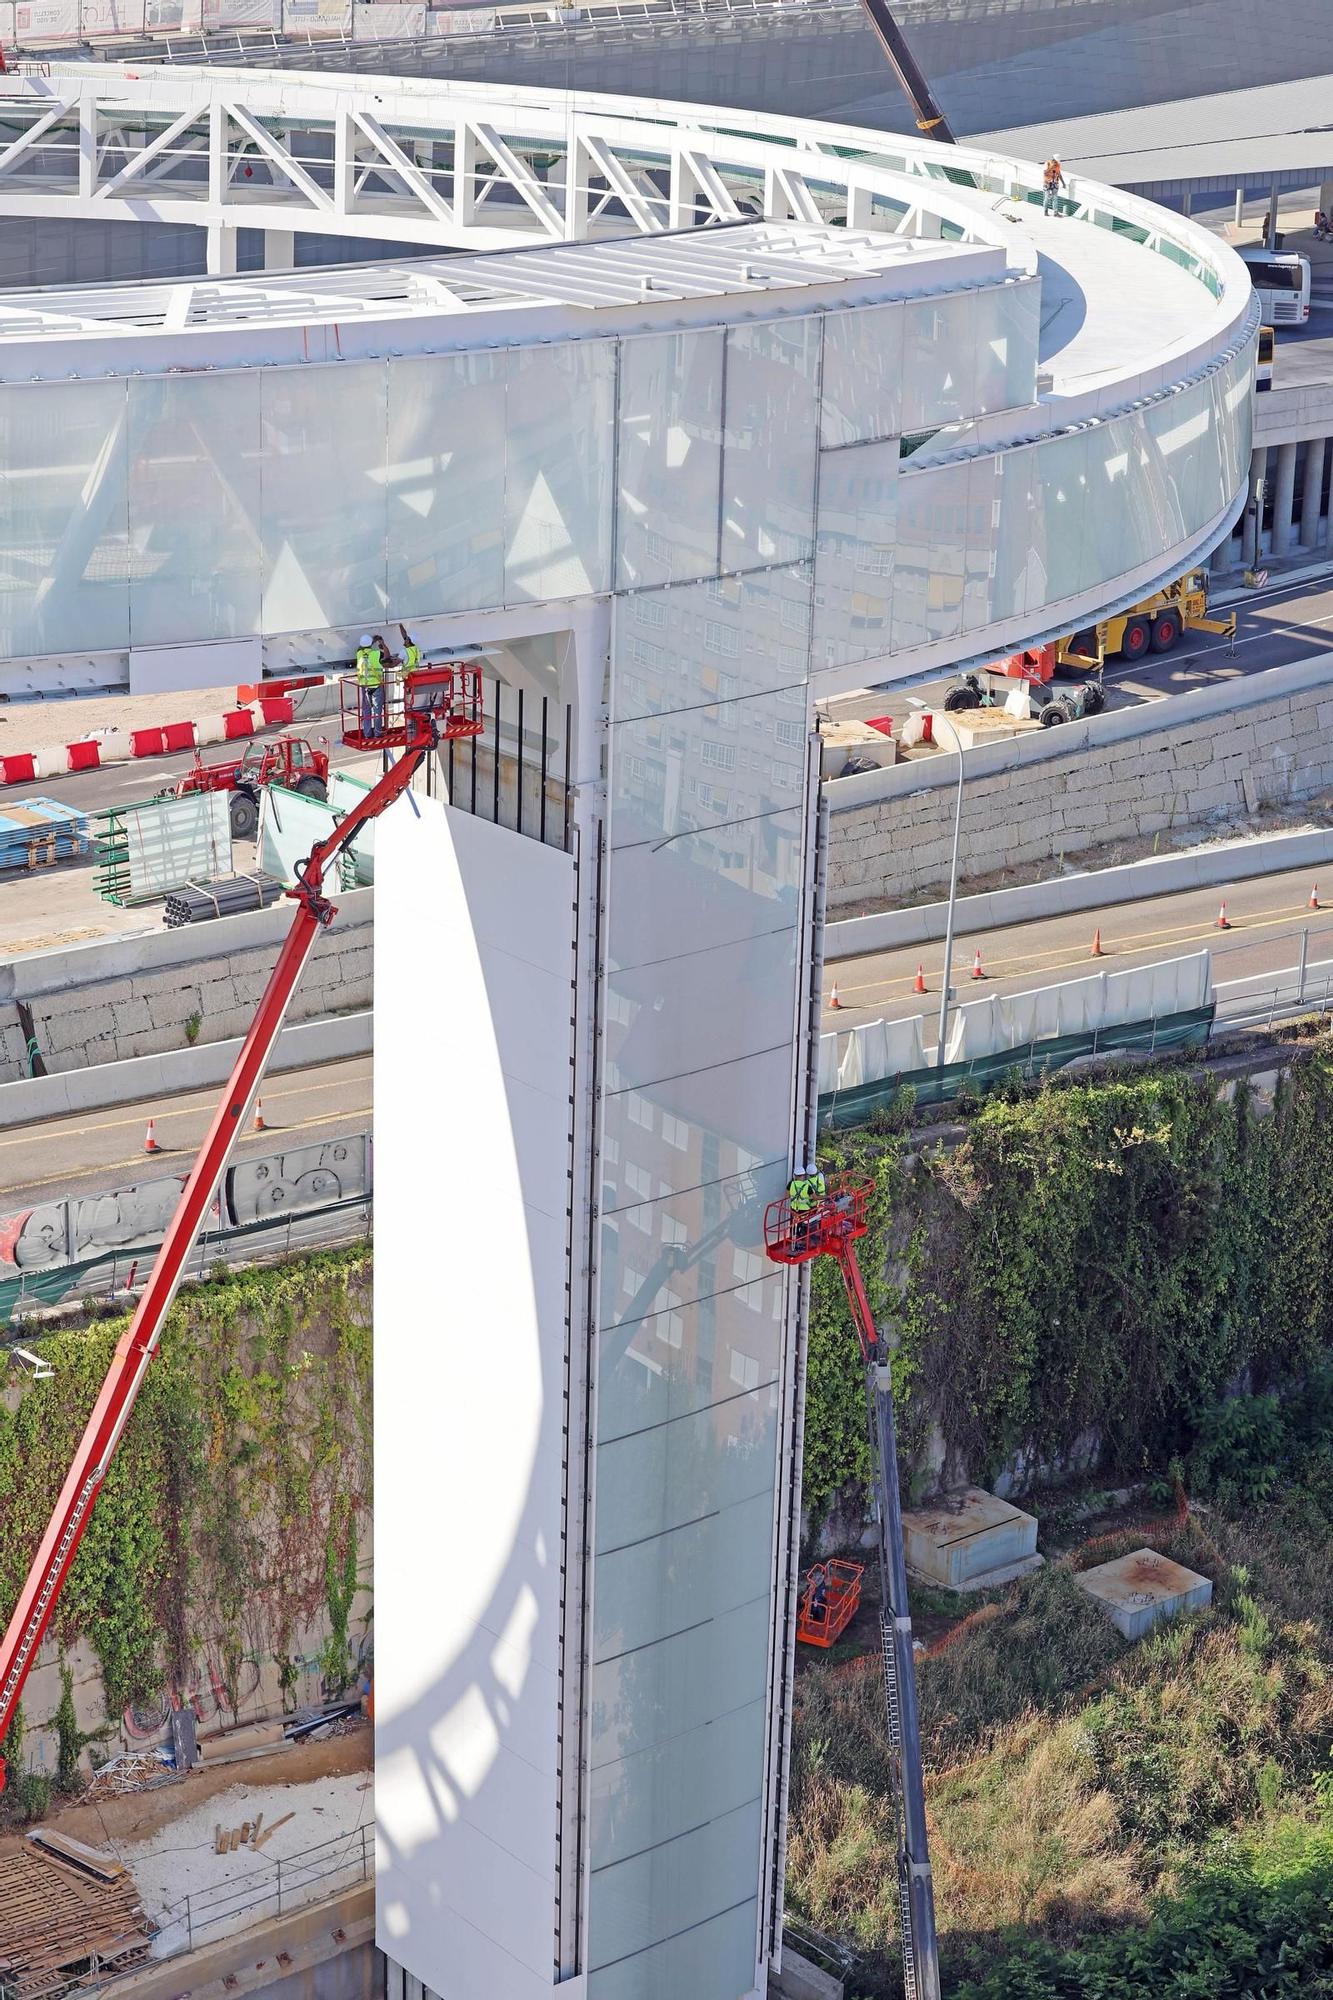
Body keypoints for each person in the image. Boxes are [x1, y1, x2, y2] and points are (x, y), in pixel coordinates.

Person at [355, 633, 384, 740]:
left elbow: (361, 648)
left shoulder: (359, 654)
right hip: (376, 685)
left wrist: (370, 642)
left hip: (365, 686)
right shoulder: (377, 653)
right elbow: (387, 655)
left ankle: (367, 734)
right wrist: (381, 643)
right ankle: (377, 733)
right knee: (377, 710)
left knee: (366, 711)